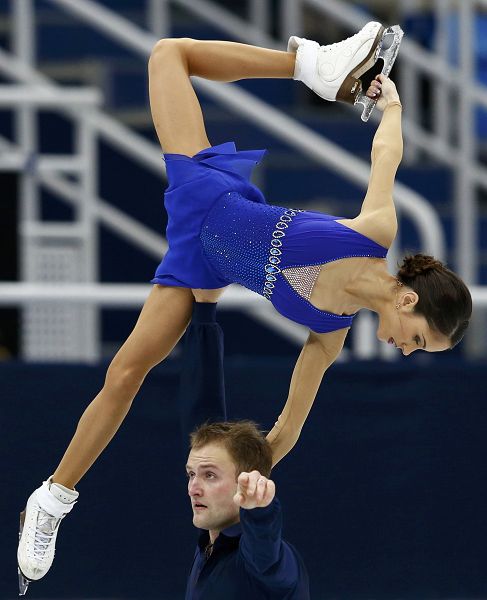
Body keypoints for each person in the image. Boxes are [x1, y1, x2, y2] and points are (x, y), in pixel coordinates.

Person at [18, 22, 472, 586]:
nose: (410, 351)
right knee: (169, 54)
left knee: (125, 373)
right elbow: (387, 155)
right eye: (421, 338)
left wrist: (245, 487)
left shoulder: (331, 334)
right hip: (210, 197)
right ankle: (310, 66)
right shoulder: (374, 231)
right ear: (409, 299)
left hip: (201, 267)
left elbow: (284, 431)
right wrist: (396, 108)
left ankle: (51, 499)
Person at [179, 302, 309, 599]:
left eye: (209, 476)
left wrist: (260, 510)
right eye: (191, 475)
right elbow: (202, 406)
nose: (193, 488)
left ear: (248, 482)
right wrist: (203, 310)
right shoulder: (209, 547)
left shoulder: (268, 564)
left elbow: (265, 552)